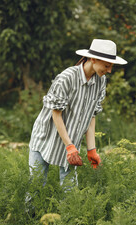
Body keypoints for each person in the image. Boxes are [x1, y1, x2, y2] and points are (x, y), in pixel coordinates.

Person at [28, 39, 127, 188]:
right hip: (46, 137)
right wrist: (69, 146)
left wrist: (91, 150)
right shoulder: (67, 78)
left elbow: (91, 116)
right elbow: (56, 114)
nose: (109, 70)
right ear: (93, 59)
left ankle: (69, 212)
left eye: (111, 66)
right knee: (36, 185)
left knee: (69, 188)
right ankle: (30, 212)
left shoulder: (100, 81)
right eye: (107, 66)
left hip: (72, 141)